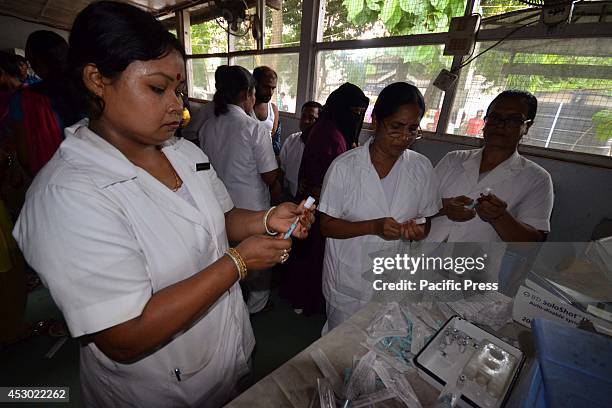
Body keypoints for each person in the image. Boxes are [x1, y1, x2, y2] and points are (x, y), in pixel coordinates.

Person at [12, 3, 314, 407]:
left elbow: (220, 219)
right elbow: (125, 334)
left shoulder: (183, 153)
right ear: (97, 79)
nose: (177, 106)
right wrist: (238, 263)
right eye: (158, 89)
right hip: (157, 387)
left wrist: (265, 219)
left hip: (224, 349)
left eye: (179, 90)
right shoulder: (67, 195)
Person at [317, 82, 441, 331]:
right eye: (396, 127)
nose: (404, 137)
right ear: (375, 121)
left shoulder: (421, 167)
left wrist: (418, 232)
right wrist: (373, 226)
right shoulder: (344, 167)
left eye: (412, 129)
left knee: (384, 349)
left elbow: (426, 221)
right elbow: (327, 226)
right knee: (341, 351)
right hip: (349, 281)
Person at [199, 65, 282, 314]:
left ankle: (235, 301)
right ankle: (256, 306)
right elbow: (269, 174)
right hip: (251, 207)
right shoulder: (254, 128)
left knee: (230, 256)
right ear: (247, 93)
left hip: (221, 204)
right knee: (257, 261)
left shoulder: (207, 126)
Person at [282, 83, 368, 316]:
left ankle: (302, 298)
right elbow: (335, 176)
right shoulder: (332, 136)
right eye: (356, 113)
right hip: (320, 204)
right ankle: (306, 301)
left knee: (306, 252)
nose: (357, 119)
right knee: (312, 255)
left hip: (313, 200)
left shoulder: (328, 128)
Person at [428, 90, 554, 243]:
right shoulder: (453, 159)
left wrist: (500, 217)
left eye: (513, 120)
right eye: (495, 118)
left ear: (527, 126)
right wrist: (445, 207)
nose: (501, 126)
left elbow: (533, 241)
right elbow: (417, 205)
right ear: (485, 122)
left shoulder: (537, 178)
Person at [8, 30, 81, 177]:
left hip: (54, 179)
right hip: (96, 175)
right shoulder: (89, 90)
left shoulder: (23, 99)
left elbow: (25, 157)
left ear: (37, 61)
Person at [279, 101, 322, 198]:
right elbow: (282, 169)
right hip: (290, 195)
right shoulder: (291, 140)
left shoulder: (323, 148)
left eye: (311, 118)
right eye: (303, 116)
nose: (306, 121)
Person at [181, 65, 230, 145]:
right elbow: (188, 133)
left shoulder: (240, 111)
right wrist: (204, 146)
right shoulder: (207, 110)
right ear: (217, 86)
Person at [251, 66, 281, 155]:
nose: (270, 92)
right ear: (255, 84)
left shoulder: (273, 110)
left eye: (273, 88)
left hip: (265, 161)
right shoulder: (243, 107)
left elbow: (273, 138)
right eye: (266, 87)